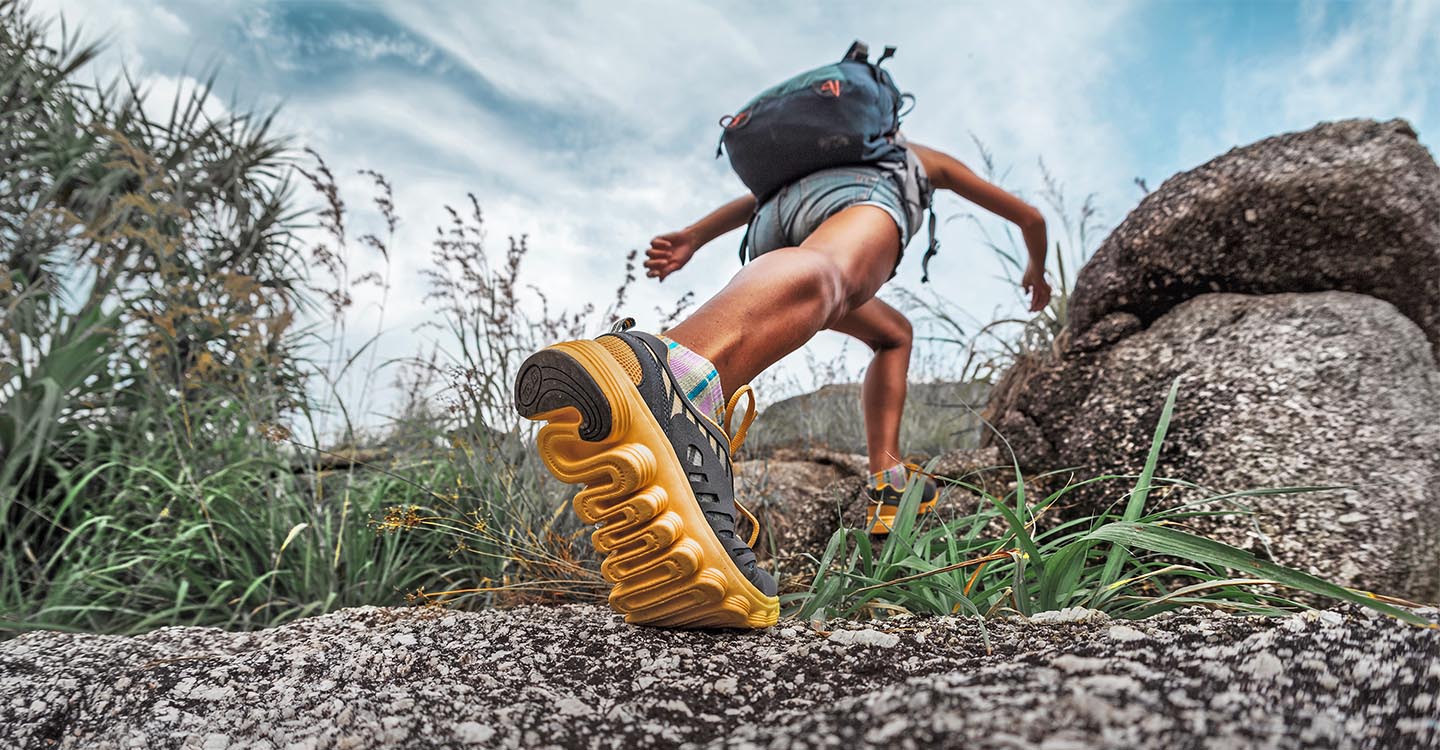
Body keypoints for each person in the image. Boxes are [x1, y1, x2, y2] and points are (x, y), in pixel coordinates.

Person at [514, 68, 1051, 632]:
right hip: (860, 203)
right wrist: (1036, 268)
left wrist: (694, 236)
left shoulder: (803, 167)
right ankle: (673, 374)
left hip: (774, 225)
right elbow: (1031, 217)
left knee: (892, 333)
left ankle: (884, 474)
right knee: (832, 275)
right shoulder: (905, 153)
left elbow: (754, 203)